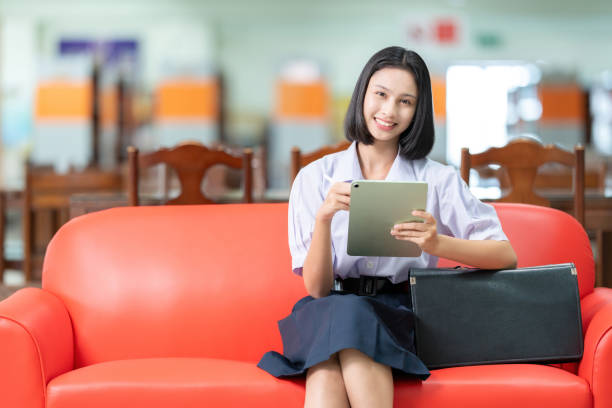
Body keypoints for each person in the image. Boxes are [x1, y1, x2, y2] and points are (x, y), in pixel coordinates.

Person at [258, 46, 517, 408]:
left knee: (326, 369)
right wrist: (323, 218)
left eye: (405, 101)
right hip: (328, 304)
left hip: (400, 313)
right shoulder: (316, 178)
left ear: (418, 111)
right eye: (380, 94)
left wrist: (436, 243)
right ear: (362, 94)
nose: (389, 111)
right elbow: (317, 289)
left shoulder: (437, 179)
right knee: (341, 312)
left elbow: (505, 255)